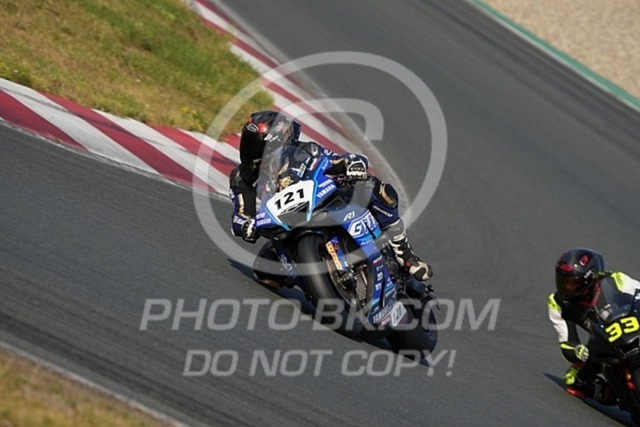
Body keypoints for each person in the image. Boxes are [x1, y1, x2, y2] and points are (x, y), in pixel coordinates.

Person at [229, 110, 432, 288]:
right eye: (249, 144)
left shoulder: (307, 151)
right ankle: (314, 280)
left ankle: (404, 252)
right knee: (265, 272)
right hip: (284, 225)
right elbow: (240, 214)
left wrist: (351, 163)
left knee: (374, 187)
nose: (252, 152)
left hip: (322, 204)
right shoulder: (241, 177)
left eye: (260, 147)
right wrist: (245, 225)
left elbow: (334, 160)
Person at [548, 247, 640, 405]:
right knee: (572, 379)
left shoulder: (616, 280)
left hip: (629, 328)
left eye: (572, 283)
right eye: (563, 282)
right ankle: (612, 395)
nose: (566, 288)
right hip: (601, 343)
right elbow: (567, 342)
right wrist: (578, 350)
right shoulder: (557, 303)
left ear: (589, 279)